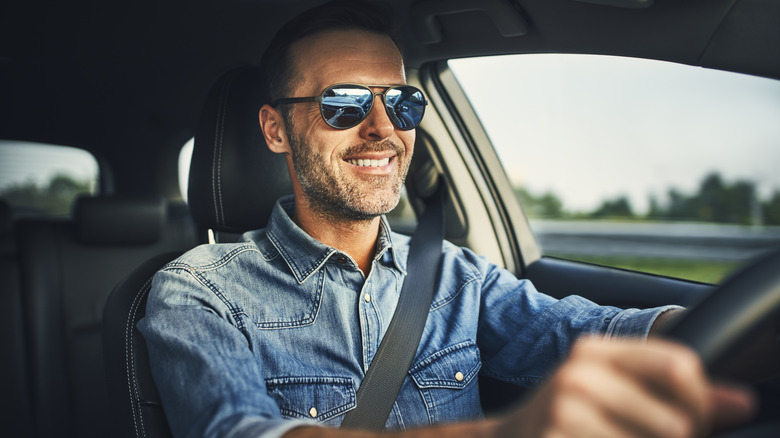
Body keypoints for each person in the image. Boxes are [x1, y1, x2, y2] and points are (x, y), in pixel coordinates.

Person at [138, 2, 759, 437]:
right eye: (345, 103)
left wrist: (747, 332)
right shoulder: (200, 290)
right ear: (277, 129)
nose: (383, 129)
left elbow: (590, 331)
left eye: (401, 101)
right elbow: (235, 430)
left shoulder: (454, 275)